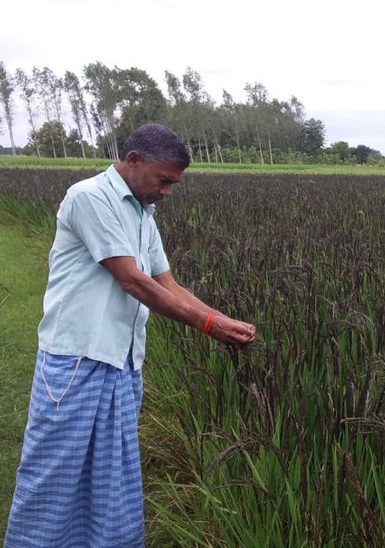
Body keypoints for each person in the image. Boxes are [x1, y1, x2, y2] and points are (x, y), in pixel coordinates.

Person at [4, 123, 255, 548]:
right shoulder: (89, 198)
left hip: (122, 360)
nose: (167, 192)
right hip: (76, 359)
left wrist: (223, 319)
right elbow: (133, 281)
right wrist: (208, 326)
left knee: (110, 472)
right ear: (134, 160)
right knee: (55, 471)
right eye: (164, 181)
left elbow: (169, 285)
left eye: (174, 184)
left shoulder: (143, 213)